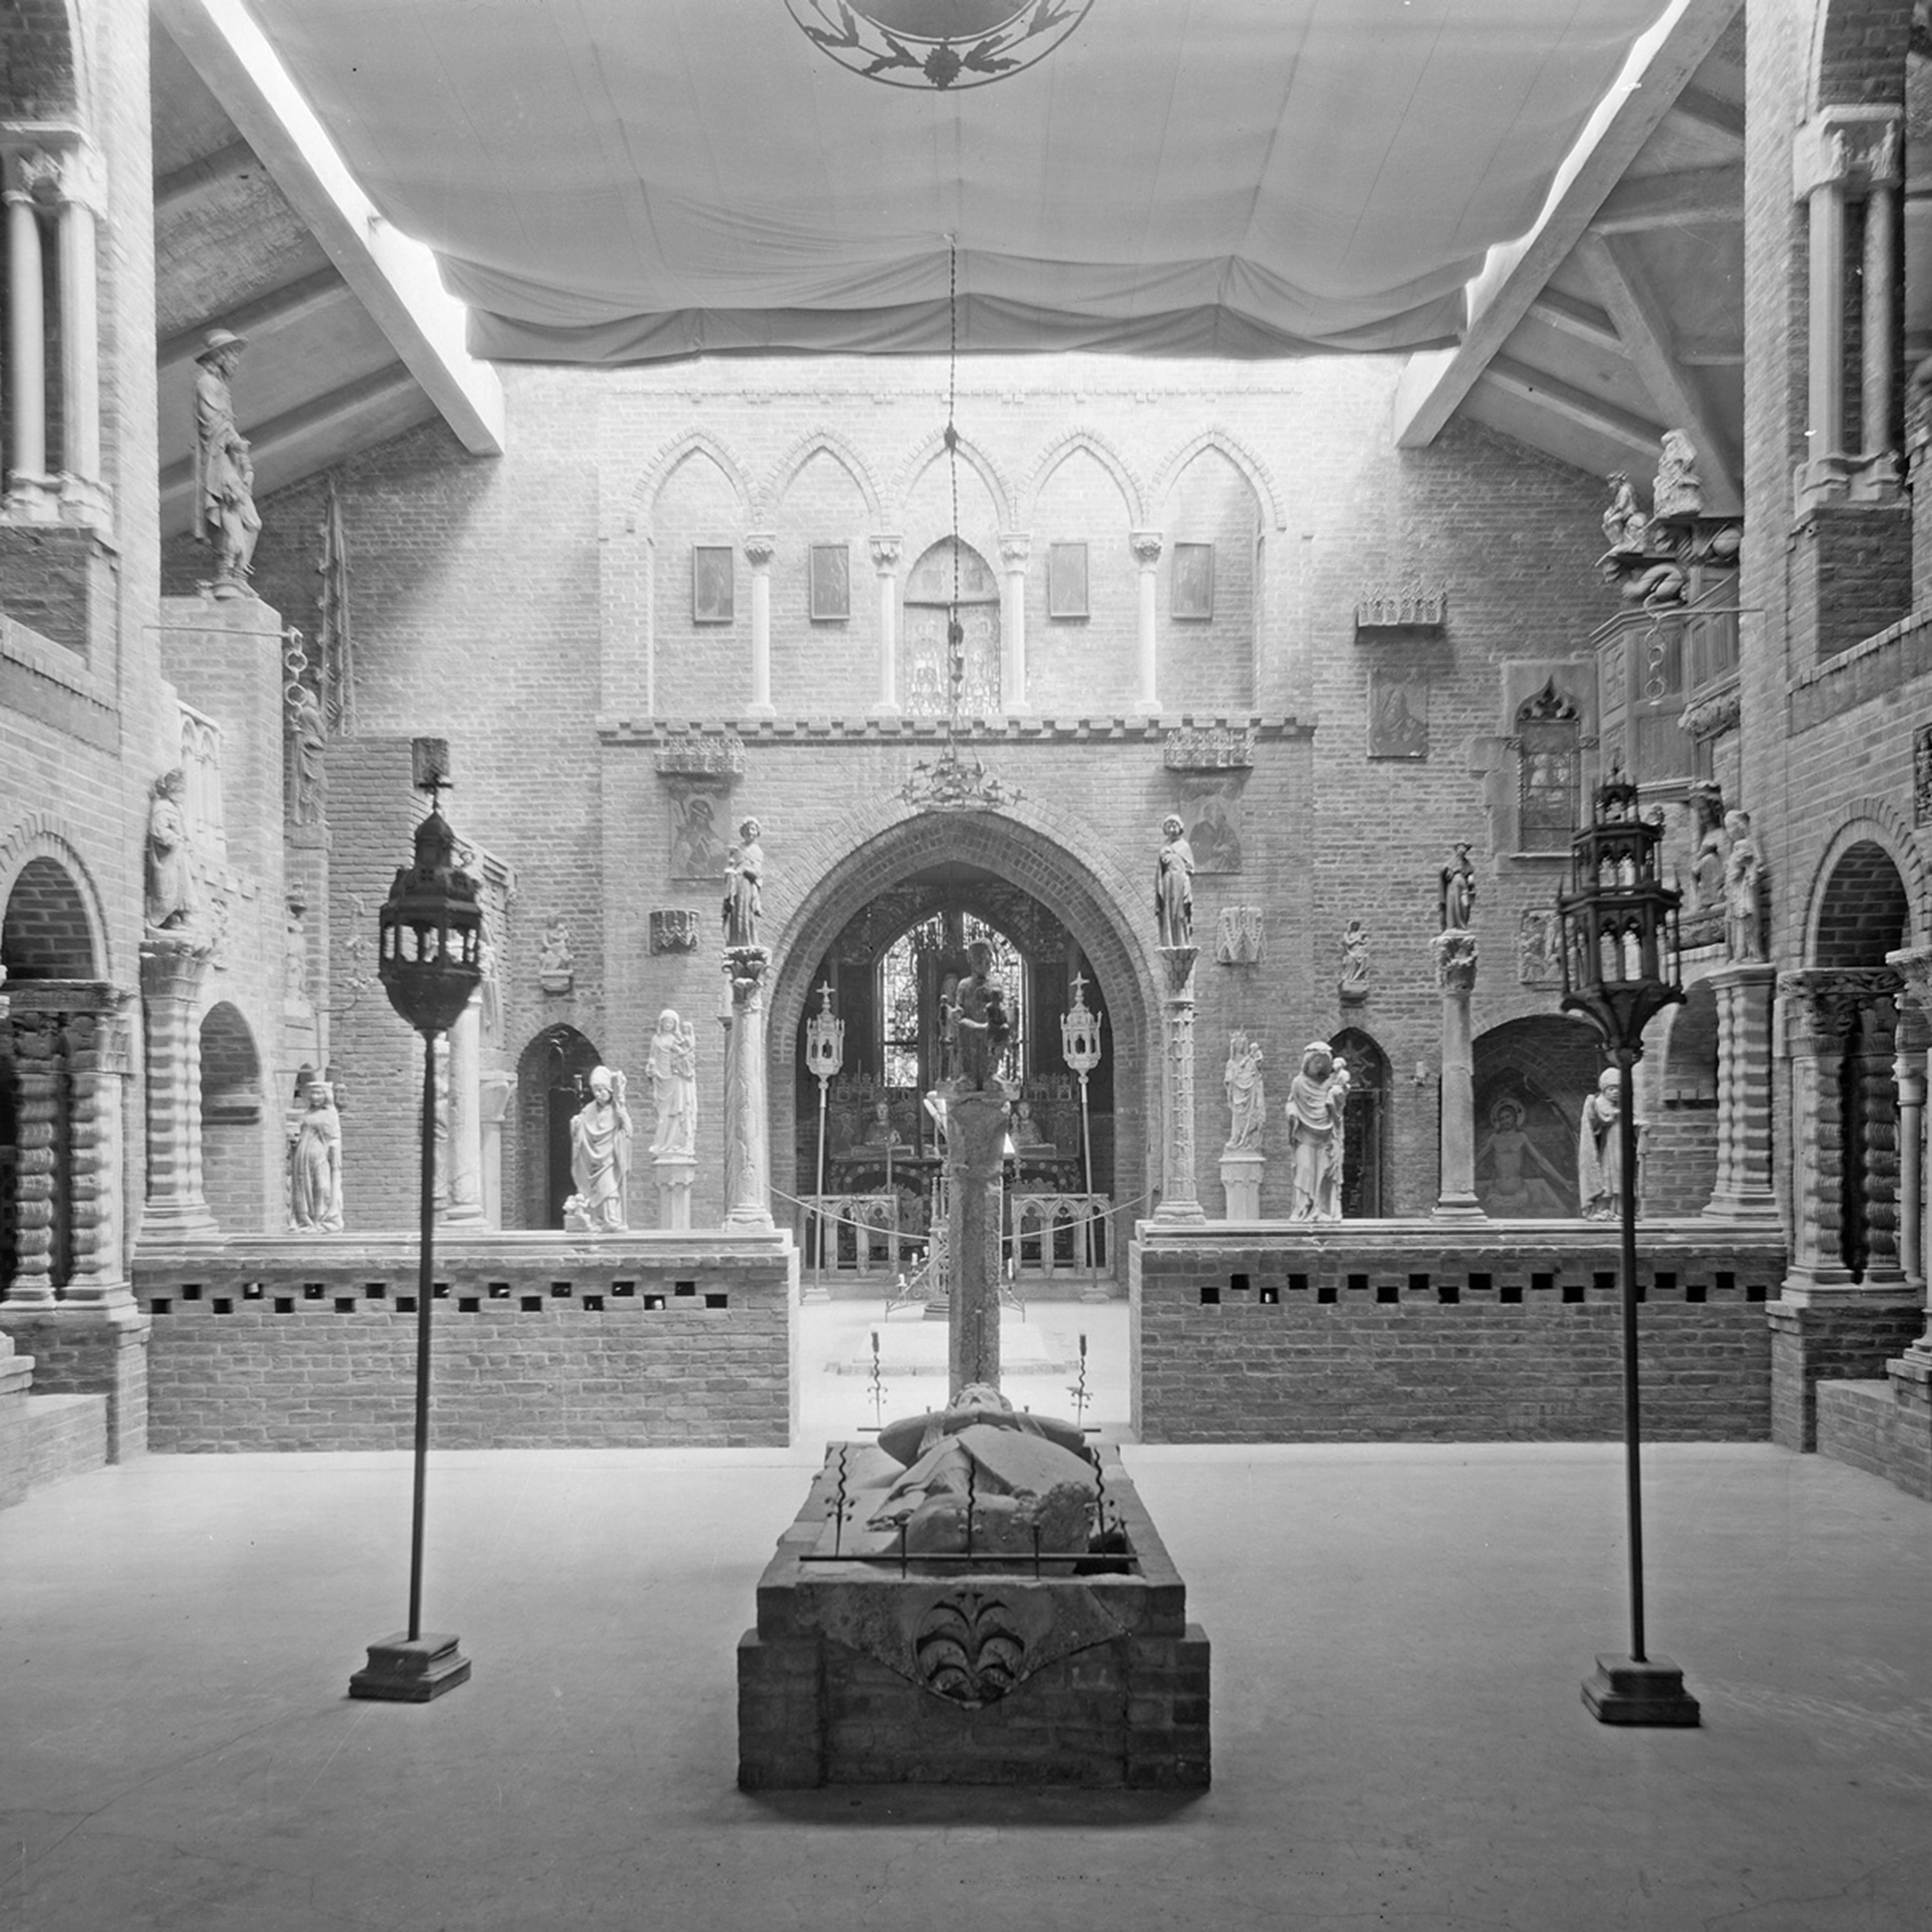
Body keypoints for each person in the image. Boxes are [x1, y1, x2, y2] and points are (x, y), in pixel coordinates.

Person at [193, 329, 261, 586]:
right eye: (232, 355)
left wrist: (246, 463)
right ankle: (228, 575)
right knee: (234, 518)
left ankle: (237, 575)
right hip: (218, 464)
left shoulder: (221, 388)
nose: (236, 361)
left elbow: (228, 426)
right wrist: (237, 445)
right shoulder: (207, 384)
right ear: (219, 356)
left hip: (230, 462)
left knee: (252, 523)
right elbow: (214, 424)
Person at [1283, 1040, 1346, 1221]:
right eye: (1316, 1061)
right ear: (1308, 1062)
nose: (1320, 1065)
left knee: (1325, 1174)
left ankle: (1323, 1210)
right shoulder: (1299, 1083)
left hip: (1327, 1136)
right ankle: (1302, 1208)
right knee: (1305, 1170)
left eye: (1323, 1062)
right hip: (1306, 1135)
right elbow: (1291, 1102)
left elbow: (1340, 1104)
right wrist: (1292, 1113)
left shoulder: (1331, 1083)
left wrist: (1336, 1096)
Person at [1476, 1097, 1568, 1218]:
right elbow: (1476, 1161)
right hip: (1496, 1195)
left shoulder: (1522, 1137)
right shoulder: (1494, 1139)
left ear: (1515, 1117)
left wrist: (1564, 1182)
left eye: (1508, 1117)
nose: (1505, 1121)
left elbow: (1541, 1161)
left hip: (1519, 1195)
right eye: (1502, 1119)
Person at [570, 1065, 633, 1232]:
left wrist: (622, 1112)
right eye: (596, 1091)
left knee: (610, 1187)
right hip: (592, 1158)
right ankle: (598, 1220)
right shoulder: (589, 1110)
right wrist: (576, 1125)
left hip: (609, 1157)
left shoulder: (616, 1109)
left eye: (602, 1090)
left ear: (610, 1090)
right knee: (595, 1191)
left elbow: (628, 1130)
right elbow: (581, 1127)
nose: (599, 1094)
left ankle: (612, 1220)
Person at [144, 768, 201, 933]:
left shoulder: (176, 808)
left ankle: (177, 917)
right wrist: (175, 840)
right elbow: (158, 830)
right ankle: (164, 919)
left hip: (179, 858)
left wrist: (186, 842)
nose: (183, 795)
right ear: (173, 790)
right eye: (181, 791)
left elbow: (183, 830)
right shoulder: (162, 807)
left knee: (183, 888)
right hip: (168, 858)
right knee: (168, 889)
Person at [289, 1082, 344, 1233]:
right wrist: (294, 1138)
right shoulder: (307, 1114)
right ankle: (306, 1221)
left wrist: (334, 1147)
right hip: (303, 1154)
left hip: (321, 1153)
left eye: (319, 1093)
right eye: (313, 1093)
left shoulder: (330, 1113)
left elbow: (335, 1136)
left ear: (326, 1095)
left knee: (322, 1186)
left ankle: (322, 1220)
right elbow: (300, 1130)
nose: (315, 1097)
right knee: (304, 1187)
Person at [647, 1010, 697, 1158]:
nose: (668, 1025)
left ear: (675, 1025)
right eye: (666, 1022)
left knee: (676, 1111)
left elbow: (685, 1053)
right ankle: (662, 1144)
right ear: (661, 1023)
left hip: (675, 1077)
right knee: (663, 1114)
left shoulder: (677, 1039)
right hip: (661, 1078)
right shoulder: (656, 1039)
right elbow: (652, 1056)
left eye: (671, 1023)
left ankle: (675, 1142)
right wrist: (651, 1066)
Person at [1577, 1068, 1624, 1221]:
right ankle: (1601, 1208)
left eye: (1619, 1089)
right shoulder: (1597, 1105)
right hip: (1605, 1150)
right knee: (1605, 1178)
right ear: (1604, 1090)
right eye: (1611, 1089)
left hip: (1621, 1150)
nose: (1616, 1092)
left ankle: (1619, 1210)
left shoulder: (1623, 1107)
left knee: (1620, 1177)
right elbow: (1593, 1126)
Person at [1723, 810, 1763, 962]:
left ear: (1739, 827)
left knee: (1747, 921)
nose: (1729, 832)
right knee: (1739, 923)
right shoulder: (1738, 847)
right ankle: (1741, 954)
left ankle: (1753, 953)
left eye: (1731, 827)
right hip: (1735, 891)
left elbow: (1749, 862)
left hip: (1744, 890)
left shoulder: (1744, 845)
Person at [723, 817, 764, 948]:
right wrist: (731, 873)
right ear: (743, 832)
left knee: (747, 914)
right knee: (736, 913)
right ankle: (736, 939)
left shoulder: (757, 852)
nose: (750, 832)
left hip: (748, 886)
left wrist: (744, 870)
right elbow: (732, 868)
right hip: (737, 887)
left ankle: (748, 939)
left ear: (757, 832)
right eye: (747, 830)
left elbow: (757, 873)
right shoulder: (737, 850)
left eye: (753, 829)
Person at [1156, 813, 1194, 947]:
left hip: (1180, 882)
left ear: (1180, 827)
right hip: (1168, 882)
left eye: (1174, 826)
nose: (1172, 829)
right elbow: (1160, 870)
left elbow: (1190, 868)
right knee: (1168, 914)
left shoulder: (1184, 846)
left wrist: (1173, 858)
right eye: (1169, 826)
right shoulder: (1164, 847)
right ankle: (1169, 941)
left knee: (1180, 914)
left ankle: (1182, 940)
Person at [1224, 1034, 1266, 1151]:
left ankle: (1248, 1140)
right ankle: (1236, 1138)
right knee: (1237, 1117)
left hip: (1250, 1094)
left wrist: (1255, 1075)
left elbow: (1257, 1075)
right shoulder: (1231, 1063)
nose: (1242, 1047)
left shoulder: (1250, 1062)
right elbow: (1228, 1079)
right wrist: (1234, 1080)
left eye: (1243, 1045)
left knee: (1251, 1117)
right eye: (1239, 1045)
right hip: (1238, 1095)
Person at [1439, 842, 1475, 932]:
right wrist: (1448, 872)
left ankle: (1462, 925)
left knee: (1465, 905)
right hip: (1453, 886)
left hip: (1464, 887)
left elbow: (1470, 874)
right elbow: (1444, 872)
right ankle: (1452, 926)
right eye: (1460, 849)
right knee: (1453, 904)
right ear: (1457, 850)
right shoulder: (1451, 862)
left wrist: (1471, 881)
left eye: (1464, 849)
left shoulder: (1467, 864)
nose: (1462, 851)